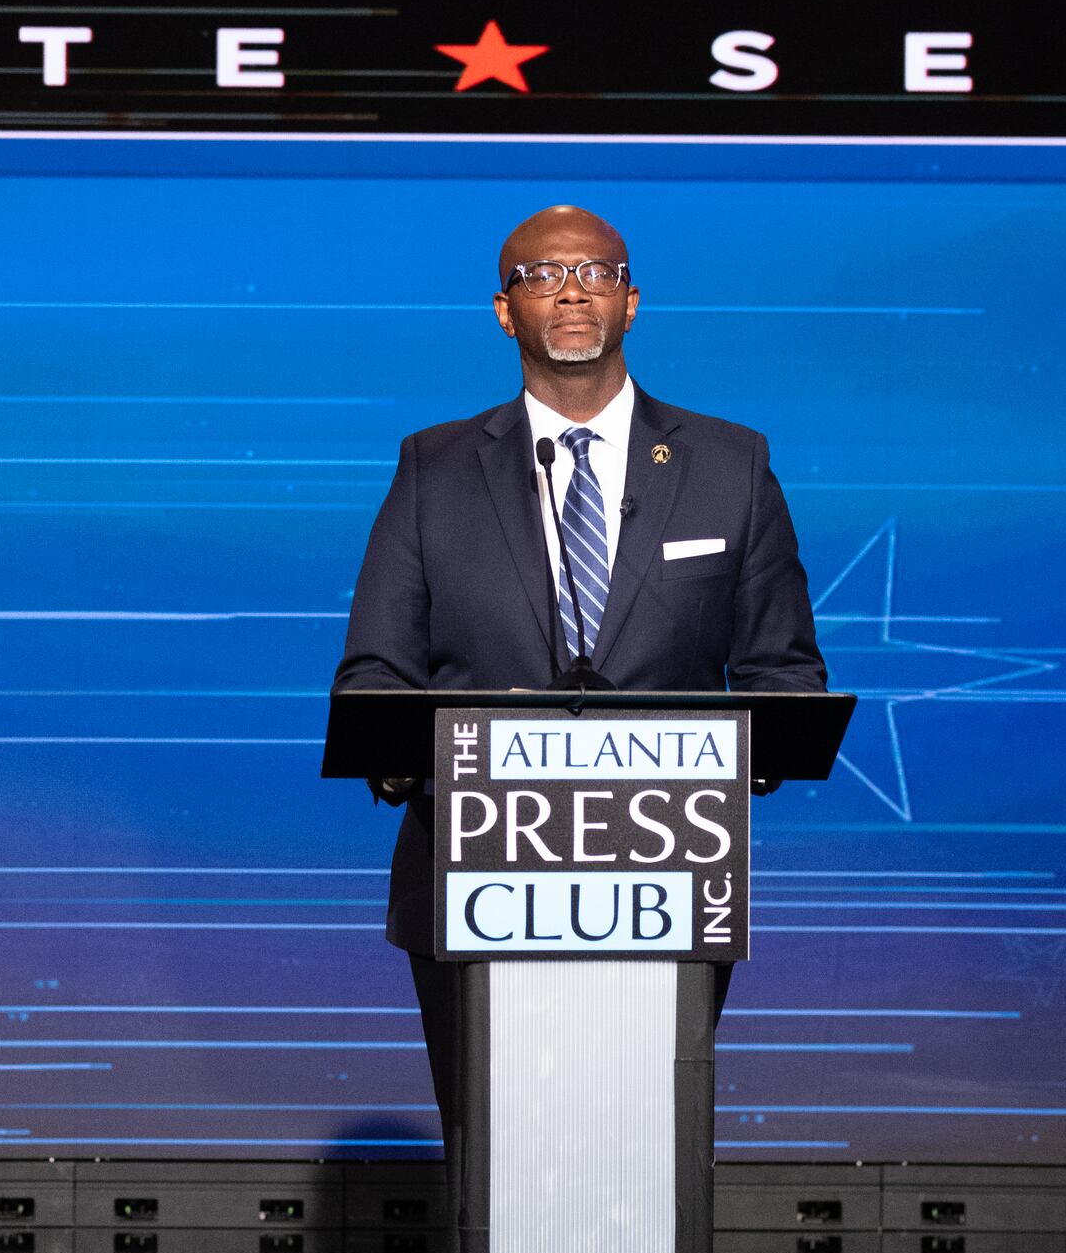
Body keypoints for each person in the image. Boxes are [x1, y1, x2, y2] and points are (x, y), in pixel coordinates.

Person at [333, 203, 829, 1122]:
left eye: (596, 272)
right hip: (471, 876)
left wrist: (725, 763)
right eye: (541, 275)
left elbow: (784, 676)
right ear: (502, 309)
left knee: (638, 1147)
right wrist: (419, 763)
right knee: (498, 1154)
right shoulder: (434, 469)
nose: (570, 290)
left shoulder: (731, 464)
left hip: (670, 874)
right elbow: (373, 677)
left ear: (631, 302)